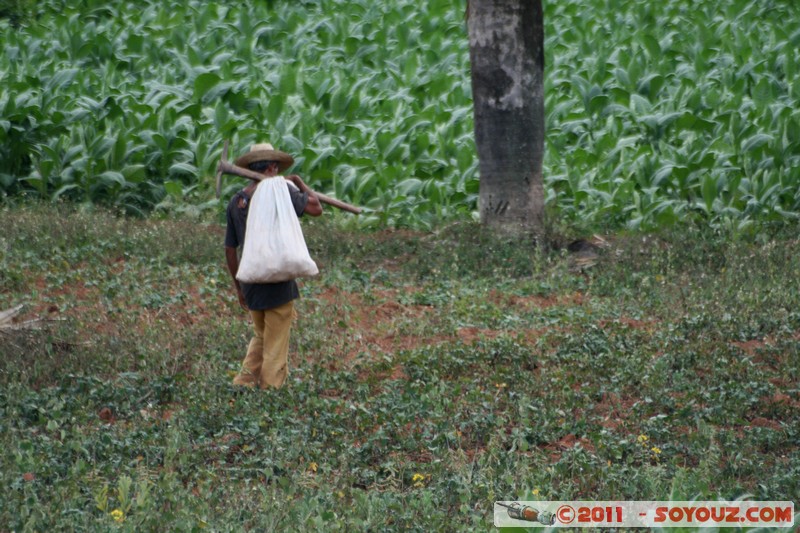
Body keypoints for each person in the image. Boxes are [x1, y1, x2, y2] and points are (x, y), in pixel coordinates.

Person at [224, 143, 323, 389]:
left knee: (261, 336)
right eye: (276, 167)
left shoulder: (237, 202)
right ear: (271, 167)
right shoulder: (282, 192)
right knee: (276, 343)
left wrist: (238, 287)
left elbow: (230, 248)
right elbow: (316, 208)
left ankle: (244, 382)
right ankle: (271, 391)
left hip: (250, 283)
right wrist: (299, 182)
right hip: (278, 284)